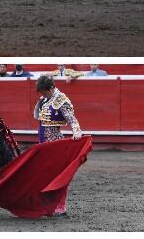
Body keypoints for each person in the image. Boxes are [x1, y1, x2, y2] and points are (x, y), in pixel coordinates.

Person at [33, 74, 83, 217]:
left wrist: (77, 132)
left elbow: (72, 119)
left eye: (44, 92)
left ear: (51, 88)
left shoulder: (61, 100)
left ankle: (60, 207)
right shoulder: (44, 99)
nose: (42, 94)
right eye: (41, 92)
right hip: (42, 143)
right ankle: (47, 205)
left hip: (55, 144)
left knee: (59, 176)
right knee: (44, 176)